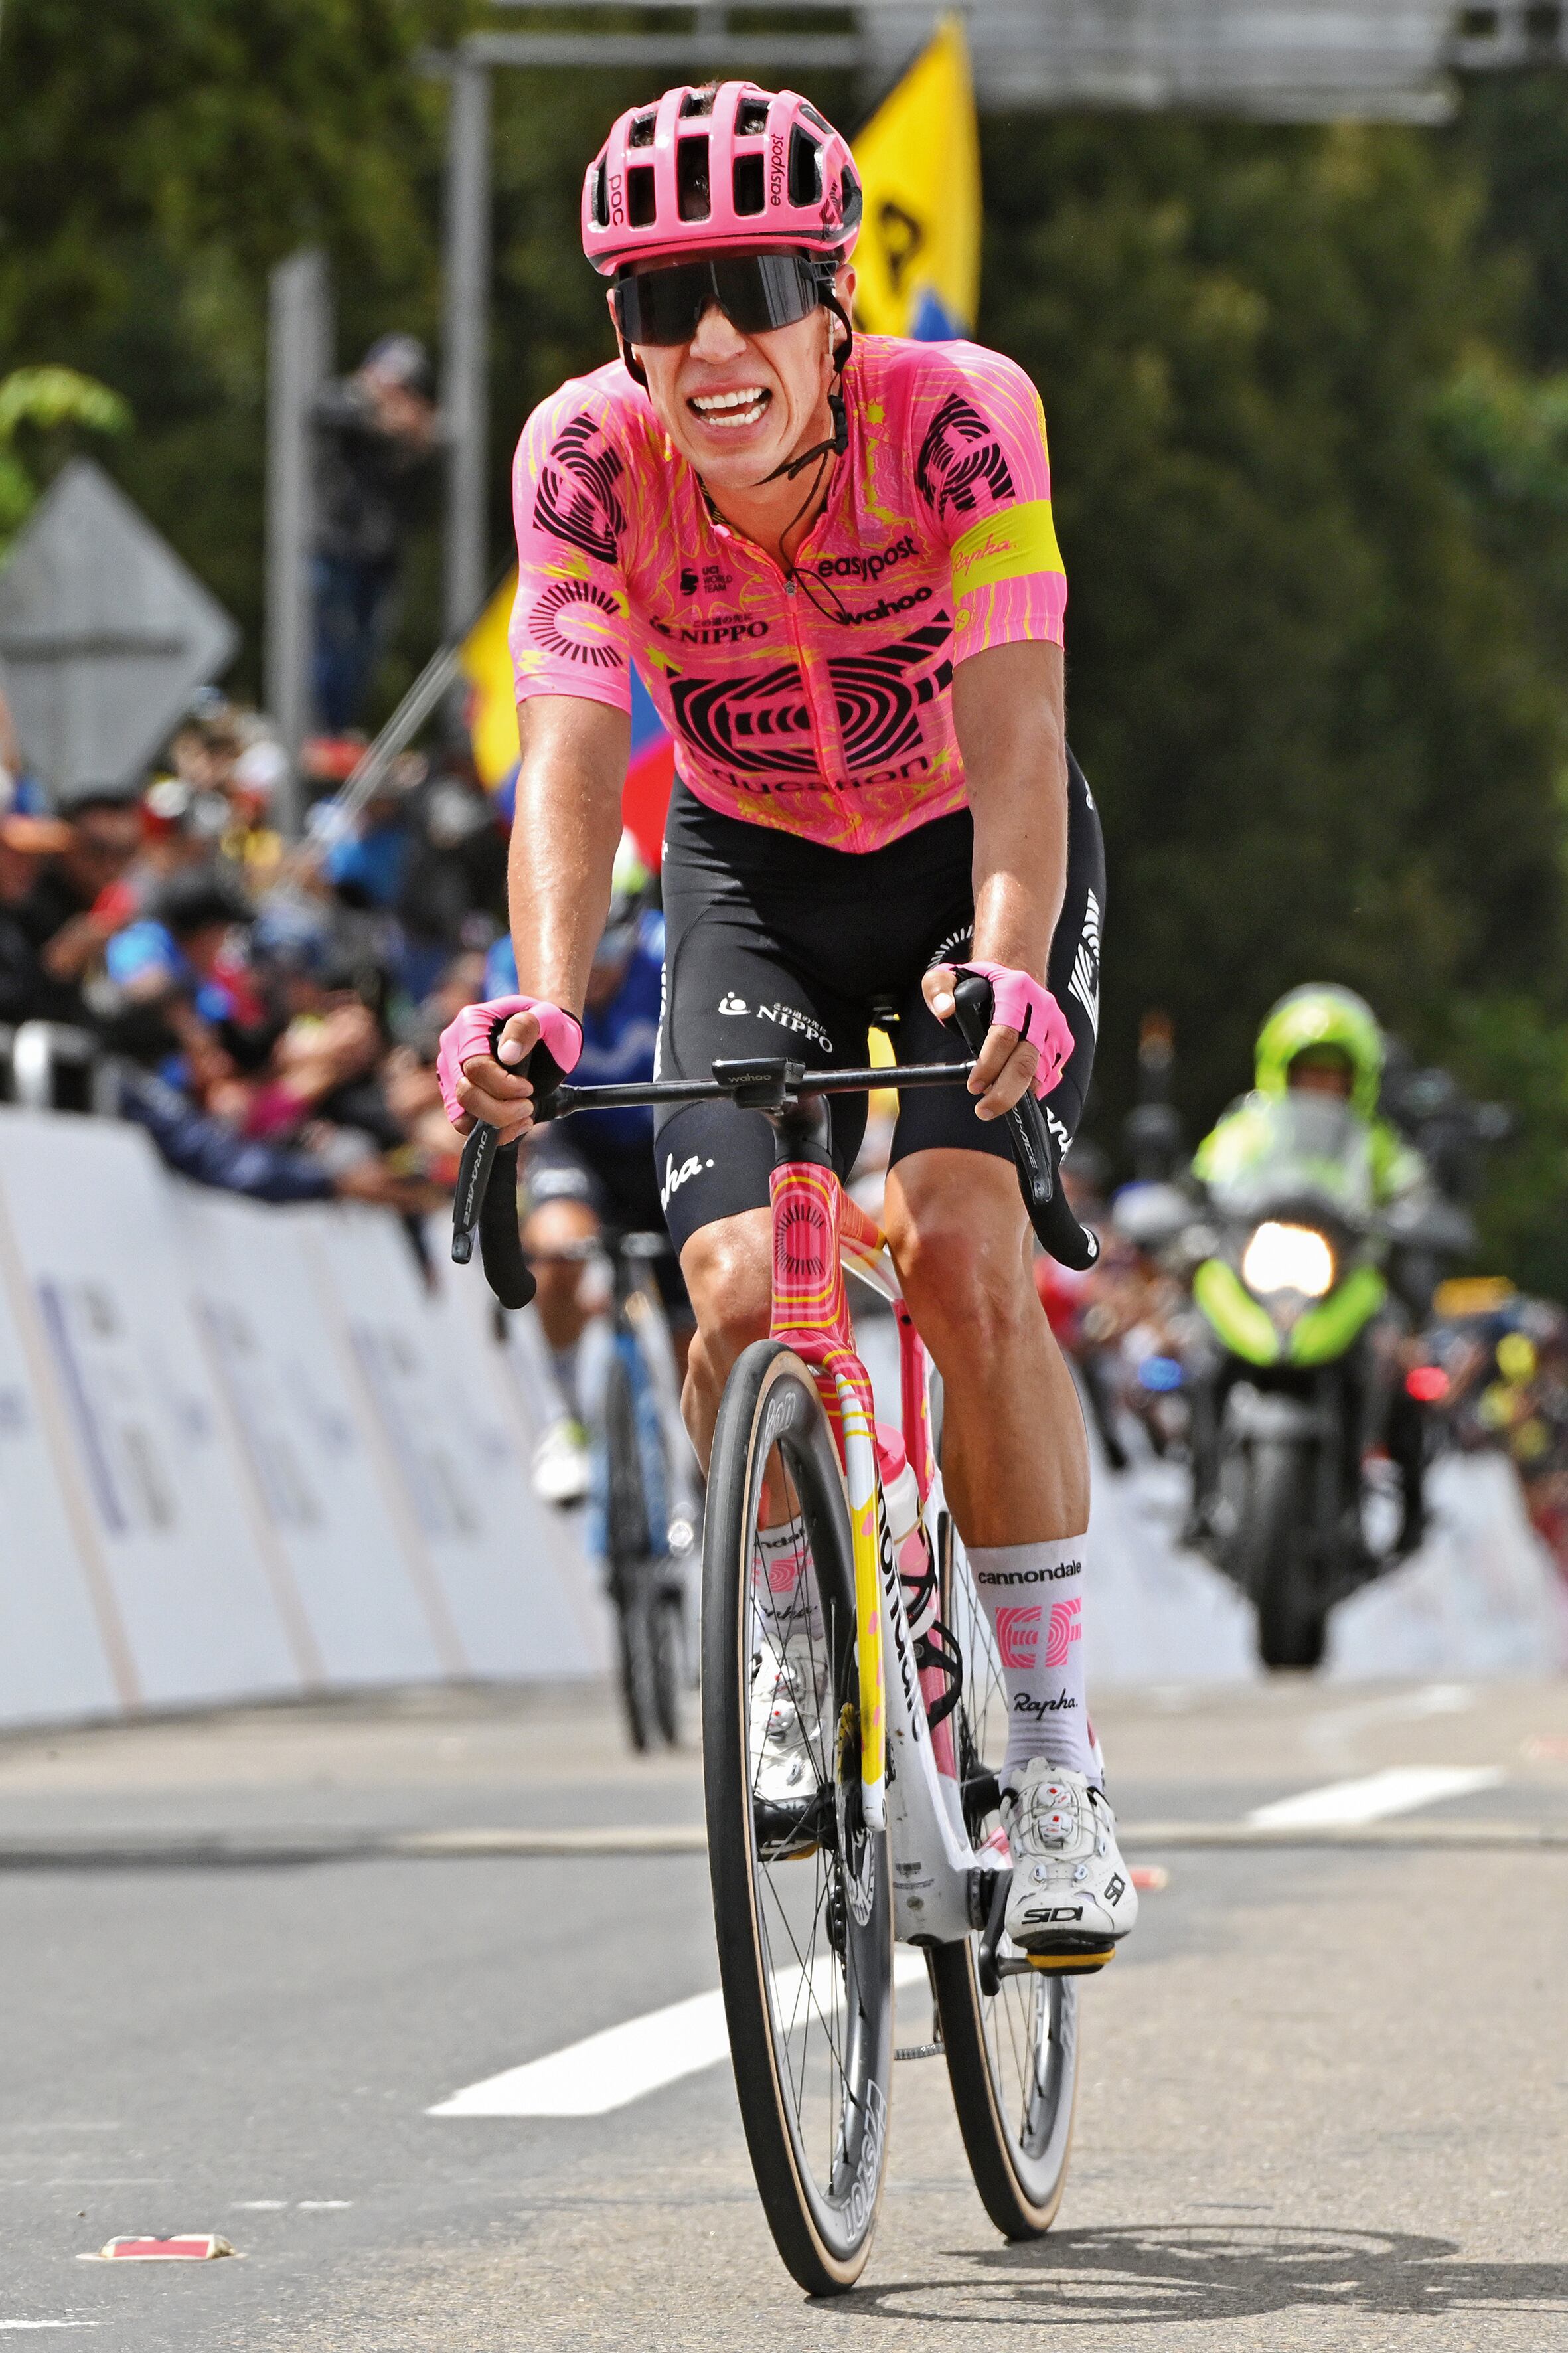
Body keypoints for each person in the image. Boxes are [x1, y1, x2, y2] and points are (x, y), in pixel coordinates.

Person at [437, 82, 1135, 1959]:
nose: (712, 344)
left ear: (835, 296)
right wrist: (543, 1006)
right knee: (738, 1282)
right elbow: (574, 765)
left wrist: (1005, 961)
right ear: (618, 332)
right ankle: (789, 1643)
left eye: (750, 285)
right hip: (746, 870)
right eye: (665, 304)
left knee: (966, 1242)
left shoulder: (962, 417)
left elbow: (1015, 728)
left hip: (960, 858)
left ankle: (1056, 1763)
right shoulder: (583, 458)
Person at [1191, 983, 1433, 1553]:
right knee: (1197, 1358)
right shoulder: (1248, 1129)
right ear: (1283, 1071)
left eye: (1335, 1076)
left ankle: (1408, 1517)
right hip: (1262, 1271)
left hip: (1344, 1280)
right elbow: (1206, 1178)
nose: (1322, 1086)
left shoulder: (1376, 1143)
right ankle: (1202, 1496)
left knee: (1407, 1375)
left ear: (1358, 1082)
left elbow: (1412, 1191)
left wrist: (1419, 1215)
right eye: (1310, 1073)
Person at [486, 831, 687, 1505]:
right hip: (577, 1146)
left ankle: (711, 1464)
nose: (595, 968)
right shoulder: (512, 964)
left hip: (668, 1140)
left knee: (700, 1326)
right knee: (556, 1249)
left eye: (607, 941)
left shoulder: (672, 952)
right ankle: (565, 1415)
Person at [311, 335, 441, 732]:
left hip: (381, 554)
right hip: (336, 546)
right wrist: (385, 420)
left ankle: (340, 730)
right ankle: (324, 732)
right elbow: (325, 409)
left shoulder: (413, 433)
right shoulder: (343, 402)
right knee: (330, 647)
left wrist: (413, 438)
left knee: (366, 652)